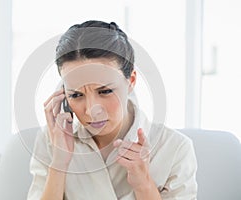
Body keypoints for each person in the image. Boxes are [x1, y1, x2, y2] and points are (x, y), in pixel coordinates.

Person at [27, 20, 197, 200]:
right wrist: (59, 163)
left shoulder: (175, 149)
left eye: (105, 91)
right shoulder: (51, 140)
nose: (92, 110)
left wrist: (144, 184)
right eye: (76, 95)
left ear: (131, 81)